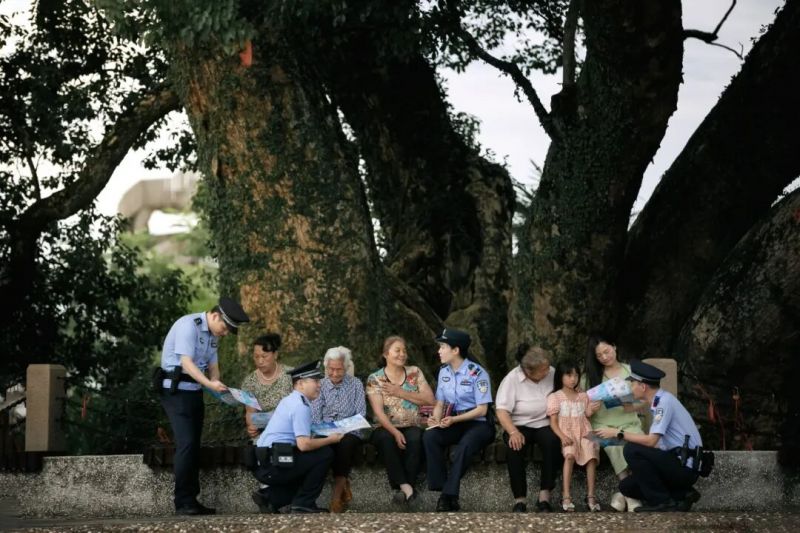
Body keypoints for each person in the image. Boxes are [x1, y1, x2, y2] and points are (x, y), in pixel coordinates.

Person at [158, 297, 250, 515]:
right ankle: (182, 502)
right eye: (225, 327)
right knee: (186, 444)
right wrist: (210, 383)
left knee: (193, 445)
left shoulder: (213, 335)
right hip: (175, 391)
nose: (225, 332)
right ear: (216, 315)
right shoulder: (188, 326)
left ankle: (192, 500)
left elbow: (213, 366)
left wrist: (220, 387)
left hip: (194, 393)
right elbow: (187, 363)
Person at [593, 360, 703, 512]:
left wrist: (618, 433)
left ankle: (663, 502)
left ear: (642, 386)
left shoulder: (663, 403)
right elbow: (658, 445)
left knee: (632, 450)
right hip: (674, 462)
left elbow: (651, 442)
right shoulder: (659, 401)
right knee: (626, 487)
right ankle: (682, 494)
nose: (630, 387)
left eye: (632, 384)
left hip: (684, 468)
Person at [252, 361, 344, 513]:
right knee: (325, 454)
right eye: (315, 381)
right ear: (301, 384)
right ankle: (304, 503)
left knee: (307, 466)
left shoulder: (289, 400)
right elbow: (304, 445)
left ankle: (269, 498)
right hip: (274, 463)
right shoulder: (300, 406)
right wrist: (331, 439)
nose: (319, 385)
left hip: (265, 461)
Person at [423, 327, 495, 512]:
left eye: (443, 347)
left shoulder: (477, 373)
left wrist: (454, 420)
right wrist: (435, 419)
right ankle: (443, 487)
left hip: (478, 424)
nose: (439, 351)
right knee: (430, 437)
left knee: (463, 447)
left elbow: (481, 410)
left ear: (455, 350)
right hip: (454, 421)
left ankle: (447, 496)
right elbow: (440, 402)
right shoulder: (444, 372)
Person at [366, 336, 436, 505]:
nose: (402, 354)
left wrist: (400, 392)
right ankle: (408, 489)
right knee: (386, 439)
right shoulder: (375, 379)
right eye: (397, 350)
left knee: (415, 438)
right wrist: (395, 431)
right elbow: (379, 413)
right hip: (384, 427)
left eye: (404, 350)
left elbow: (430, 400)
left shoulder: (414, 372)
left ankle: (403, 490)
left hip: (411, 424)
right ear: (386, 354)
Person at [495, 345, 562, 513]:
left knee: (553, 442)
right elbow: (502, 410)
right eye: (543, 370)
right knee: (514, 447)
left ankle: (544, 496)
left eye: (548, 367)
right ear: (528, 371)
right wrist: (512, 431)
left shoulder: (552, 372)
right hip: (519, 425)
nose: (547, 372)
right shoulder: (512, 379)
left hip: (545, 423)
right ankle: (520, 500)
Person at [584, 335, 645, 512]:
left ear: (615, 347)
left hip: (629, 422)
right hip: (603, 424)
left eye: (607, 351)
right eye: (599, 355)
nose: (604, 357)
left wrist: (630, 403)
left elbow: (642, 402)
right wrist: (589, 410)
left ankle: (623, 494)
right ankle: (632, 496)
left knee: (639, 444)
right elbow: (580, 406)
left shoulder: (630, 371)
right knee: (615, 446)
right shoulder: (591, 376)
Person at [311, 346, 367, 513]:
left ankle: (335, 498)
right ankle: (343, 485)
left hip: (350, 431)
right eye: (331, 369)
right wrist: (326, 431)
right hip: (324, 430)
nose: (334, 374)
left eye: (339, 370)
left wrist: (343, 428)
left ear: (346, 367)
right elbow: (315, 416)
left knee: (345, 445)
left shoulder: (356, 384)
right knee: (325, 448)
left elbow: (361, 414)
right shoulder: (319, 384)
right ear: (326, 367)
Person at [546, 360, 601, 512]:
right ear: (560, 376)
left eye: (576, 375)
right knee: (569, 454)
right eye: (569, 375)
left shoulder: (582, 395)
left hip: (584, 430)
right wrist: (562, 436)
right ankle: (566, 495)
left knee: (591, 454)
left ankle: (591, 495)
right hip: (567, 432)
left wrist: (594, 408)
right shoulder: (555, 397)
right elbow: (553, 423)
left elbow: (587, 415)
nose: (573, 379)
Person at [240, 333, 293, 441]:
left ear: (275, 355)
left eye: (264, 356)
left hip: (289, 429)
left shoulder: (291, 375)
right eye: (256, 357)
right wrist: (251, 427)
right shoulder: (250, 382)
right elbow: (250, 412)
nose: (260, 361)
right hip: (264, 432)